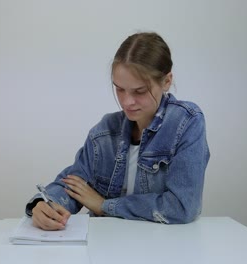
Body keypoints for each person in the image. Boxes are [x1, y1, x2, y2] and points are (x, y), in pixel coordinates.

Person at [25, 32, 210, 230]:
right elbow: (74, 183)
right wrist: (44, 205)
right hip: (105, 246)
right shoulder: (105, 131)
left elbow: (182, 207)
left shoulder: (186, 122)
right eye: (120, 89)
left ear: (166, 81)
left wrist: (104, 205)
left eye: (139, 91)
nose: (127, 102)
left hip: (160, 248)